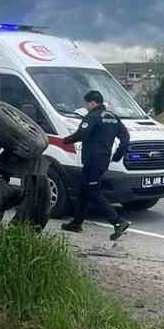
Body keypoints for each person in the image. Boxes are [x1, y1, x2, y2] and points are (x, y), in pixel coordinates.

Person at [59, 90, 132, 242]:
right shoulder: (112, 117)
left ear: (92, 103)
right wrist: (118, 154)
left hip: (92, 160)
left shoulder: (92, 116)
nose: (85, 107)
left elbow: (81, 134)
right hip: (103, 160)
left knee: (93, 191)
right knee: (83, 191)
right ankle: (76, 223)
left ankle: (118, 221)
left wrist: (64, 141)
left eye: (86, 104)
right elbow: (125, 137)